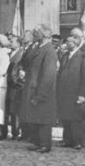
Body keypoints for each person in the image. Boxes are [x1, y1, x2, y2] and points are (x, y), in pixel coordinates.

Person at [19, 24, 58, 153]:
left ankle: (45, 144)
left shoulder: (49, 50)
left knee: (44, 119)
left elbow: (48, 74)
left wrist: (41, 94)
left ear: (43, 35)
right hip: (33, 87)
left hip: (41, 90)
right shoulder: (38, 48)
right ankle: (37, 142)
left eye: (36, 33)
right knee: (35, 117)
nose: (34, 35)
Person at [56, 33, 85, 150]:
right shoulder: (65, 56)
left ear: (76, 43)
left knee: (75, 119)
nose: (67, 44)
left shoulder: (82, 57)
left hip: (75, 92)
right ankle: (68, 140)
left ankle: (78, 141)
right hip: (64, 92)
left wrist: (83, 94)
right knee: (66, 117)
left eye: (69, 42)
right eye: (66, 42)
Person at [6, 35, 24, 140]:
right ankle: (13, 130)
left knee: (15, 110)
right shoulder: (8, 53)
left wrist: (17, 81)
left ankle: (16, 131)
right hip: (7, 84)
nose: (10, 43)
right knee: (9, 108)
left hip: (16, 85)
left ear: (18, 43)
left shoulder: (21, 54)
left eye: (12, 41)